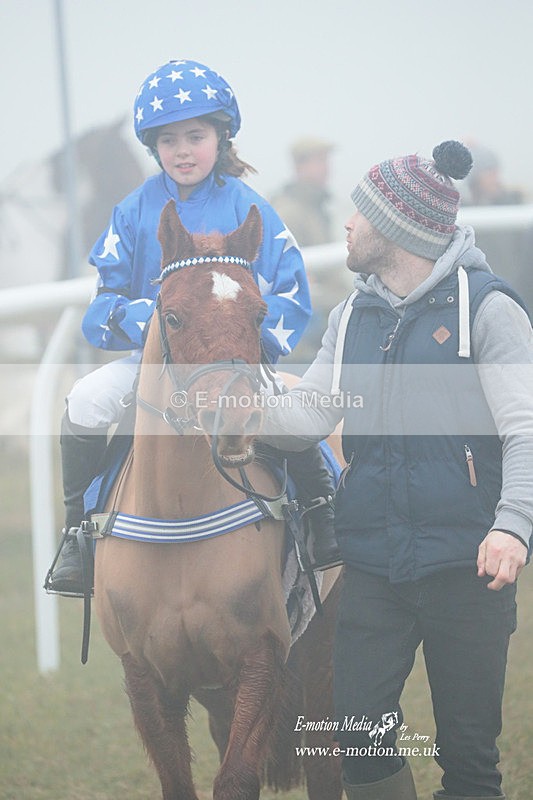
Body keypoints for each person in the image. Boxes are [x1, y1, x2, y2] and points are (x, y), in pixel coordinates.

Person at [261, 141, 533, 799]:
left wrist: (512, 528)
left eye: (360, 214)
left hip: (467, 568)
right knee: (357, 740)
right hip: (373, 568)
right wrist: (231, 403)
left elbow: (524, 429)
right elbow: (302, 416)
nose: (347, 225)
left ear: (398, 226)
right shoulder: (351, 313)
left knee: (468, 764)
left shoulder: (488, 310)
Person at [48, 58, 340, 594]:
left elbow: (294, 293)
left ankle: (322, 516)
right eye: (169, 140)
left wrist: (253, 346)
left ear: (222, 136)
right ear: (154, 147)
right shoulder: (132, 212)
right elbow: (101, 307)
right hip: (156, 363)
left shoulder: (251, 207)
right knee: (85, 400)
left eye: (196, 136)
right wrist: (155, 321)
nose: (182, 151)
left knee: (290, 413)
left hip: (238, 360)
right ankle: (77, 535)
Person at [270, 136, 335, 247]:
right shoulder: (288, 214)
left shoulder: (316, 206)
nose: (327, 168)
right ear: (300, 166)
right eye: (320, 161)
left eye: (326, 160)